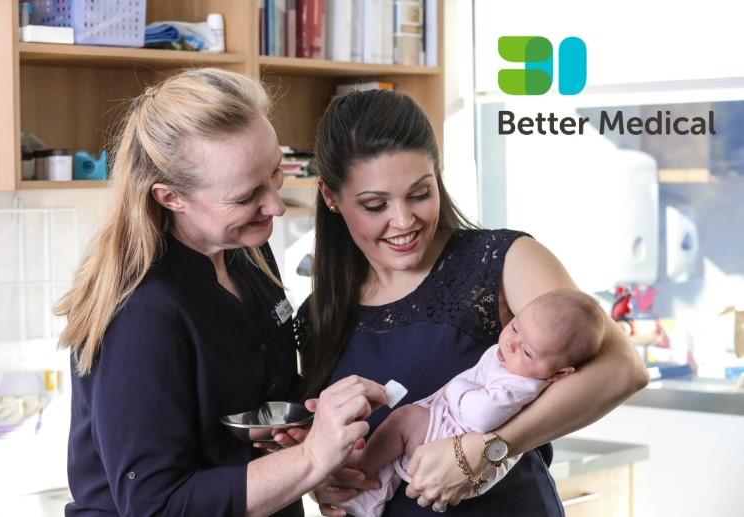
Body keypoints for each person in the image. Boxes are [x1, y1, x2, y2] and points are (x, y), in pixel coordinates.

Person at [292, 89, 649, 516]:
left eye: (420, 193)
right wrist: (326, 481)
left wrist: (489, 448)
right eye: (375, 204)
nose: (404, 221)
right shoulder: (317, 314)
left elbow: (624, 368)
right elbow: (330, 450)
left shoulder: (501, 259)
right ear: (330, 196)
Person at [53, 68, 387, 516]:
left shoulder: (246, 252)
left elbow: (245, 419)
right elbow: (158, 505)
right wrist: (309, 459)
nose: (274, 207)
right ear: (170, 197)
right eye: (247, 195)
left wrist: (308, 459)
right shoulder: (141, 313)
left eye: (275, 174)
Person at [337, 288, 606, 517]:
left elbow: (481, 417)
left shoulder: (520, 384)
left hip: (459, 441)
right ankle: (369, 499)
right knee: (397, 447)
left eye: (527, 350)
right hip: (455, 430)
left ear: (559, 373)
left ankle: (362, 467)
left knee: (403, 420)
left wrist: (456, 389)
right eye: (514, 326)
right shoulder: (515, 361)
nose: (511, 343)